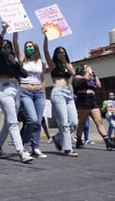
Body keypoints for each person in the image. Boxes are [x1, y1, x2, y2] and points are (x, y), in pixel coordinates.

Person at [0, 22, 33, 163]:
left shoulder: (12, 61)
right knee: (13, 121)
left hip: (16, 90)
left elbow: (24, 74)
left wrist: (14, 62)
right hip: (4, 89)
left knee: (9, 121)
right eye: (4, 47)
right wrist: (3, 31)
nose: (7, 49)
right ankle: (21, 151)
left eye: (9, 47)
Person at [42, 28, 78, 157]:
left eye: (63, 52)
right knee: (63, 122)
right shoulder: (52, 65)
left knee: (74, 122)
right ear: (55, 54)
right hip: (57, 92)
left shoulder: (66, 64)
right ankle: (68, 149)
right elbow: (45, 51)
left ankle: (57, 138)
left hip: (68, 92)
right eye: (58, 52)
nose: (61, 54)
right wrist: (45, 36)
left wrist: (65, 61)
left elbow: (73, 73)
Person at [13, 32, 47, 158]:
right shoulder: (22, 59)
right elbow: (15, 45)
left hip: (38, 92)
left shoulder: (41, 62)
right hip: (25, 91)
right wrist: (15, 32)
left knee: (38, 121)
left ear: (35, 48)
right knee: (31, 119)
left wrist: (43, 95)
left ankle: (36, 147)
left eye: (30, 46)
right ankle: (25, 145)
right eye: (26, 46)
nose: (28, 48)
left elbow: (43, 79)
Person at [73, 64, 115, 150]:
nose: (88, 68)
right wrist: (87, 71)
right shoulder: (77, 77)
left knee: (99, 121)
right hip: (83, 98)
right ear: (81, 69)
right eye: (85, 66)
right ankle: (79, 140)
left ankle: (107, 141)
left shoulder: (91, 78)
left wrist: (95, 75)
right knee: (82, 122)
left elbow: (99, 86)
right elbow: (85, 78)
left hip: (92, 99)